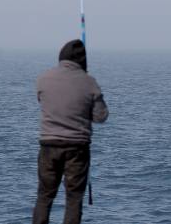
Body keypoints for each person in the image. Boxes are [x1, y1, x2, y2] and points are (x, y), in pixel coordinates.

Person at [32, 39, 109, 224]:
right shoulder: (89, 82)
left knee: (44, 196)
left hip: (49, 145)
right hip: (77, 148)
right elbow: (101, 116)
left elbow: (43, 101)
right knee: (74, 198)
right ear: (82, 61)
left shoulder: (43, 79)